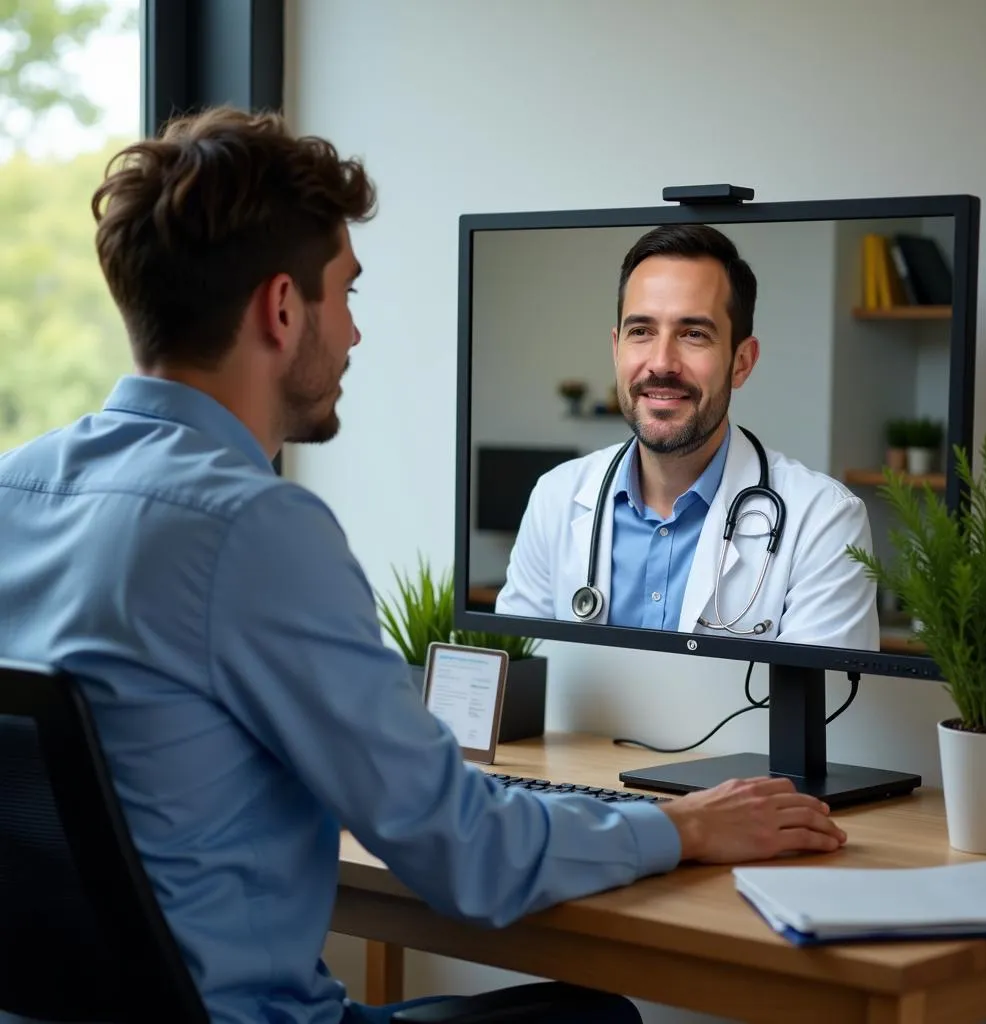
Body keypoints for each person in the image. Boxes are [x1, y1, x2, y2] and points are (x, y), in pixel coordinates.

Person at [0, 108, 847, 1024]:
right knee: (594, 1017)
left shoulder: (18, 490)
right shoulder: (255, 531)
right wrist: (680, 826)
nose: (356, 335)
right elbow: (470, 855)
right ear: (284, 310)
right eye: (347, 294)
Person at [495, 223, 880, 650]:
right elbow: (515, 680)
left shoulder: (823, 521)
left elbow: (822, 710)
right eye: (641, 331)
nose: (661, 363)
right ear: (616, 348)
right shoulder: (555, 498)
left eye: (693, 334)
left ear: (742, 362)